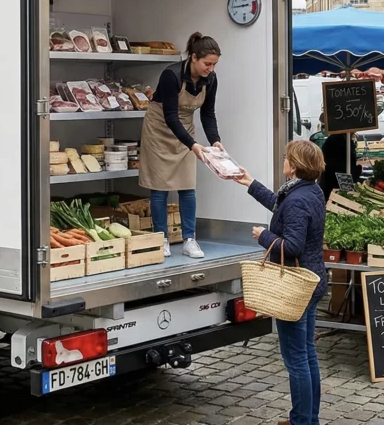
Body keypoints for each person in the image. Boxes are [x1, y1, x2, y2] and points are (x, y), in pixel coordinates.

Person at [234, 140, 327, 425]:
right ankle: (307, 418)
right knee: (307, 353)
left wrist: (263, 236)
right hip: (311, 281)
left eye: (286, 157)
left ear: (295, 165)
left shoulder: (298, 199)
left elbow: (293, 246)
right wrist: (249, 181)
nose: (283, 160)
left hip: (295, 287)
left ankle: (302, 421)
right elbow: (279, 203)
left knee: (296, 358)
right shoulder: (309, 191)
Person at [139, 32, 223, 259]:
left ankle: (189, 239)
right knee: (159, 187)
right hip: (159, 129)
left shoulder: (210, 80)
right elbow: (170, 117)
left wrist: (215, 140)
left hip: (186, 130)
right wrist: (193, 145)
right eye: (207, 63)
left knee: (187, 186)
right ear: (194, 58)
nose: (211, 69)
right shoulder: (171, 75)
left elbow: (208, 113)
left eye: (214, 64)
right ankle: (161, 239)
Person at [320, 132, 360, 201]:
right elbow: (339, 166)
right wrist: (357, 170)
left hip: (338, 181)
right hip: (332, 184)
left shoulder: (346, 139)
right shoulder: (335, 140)